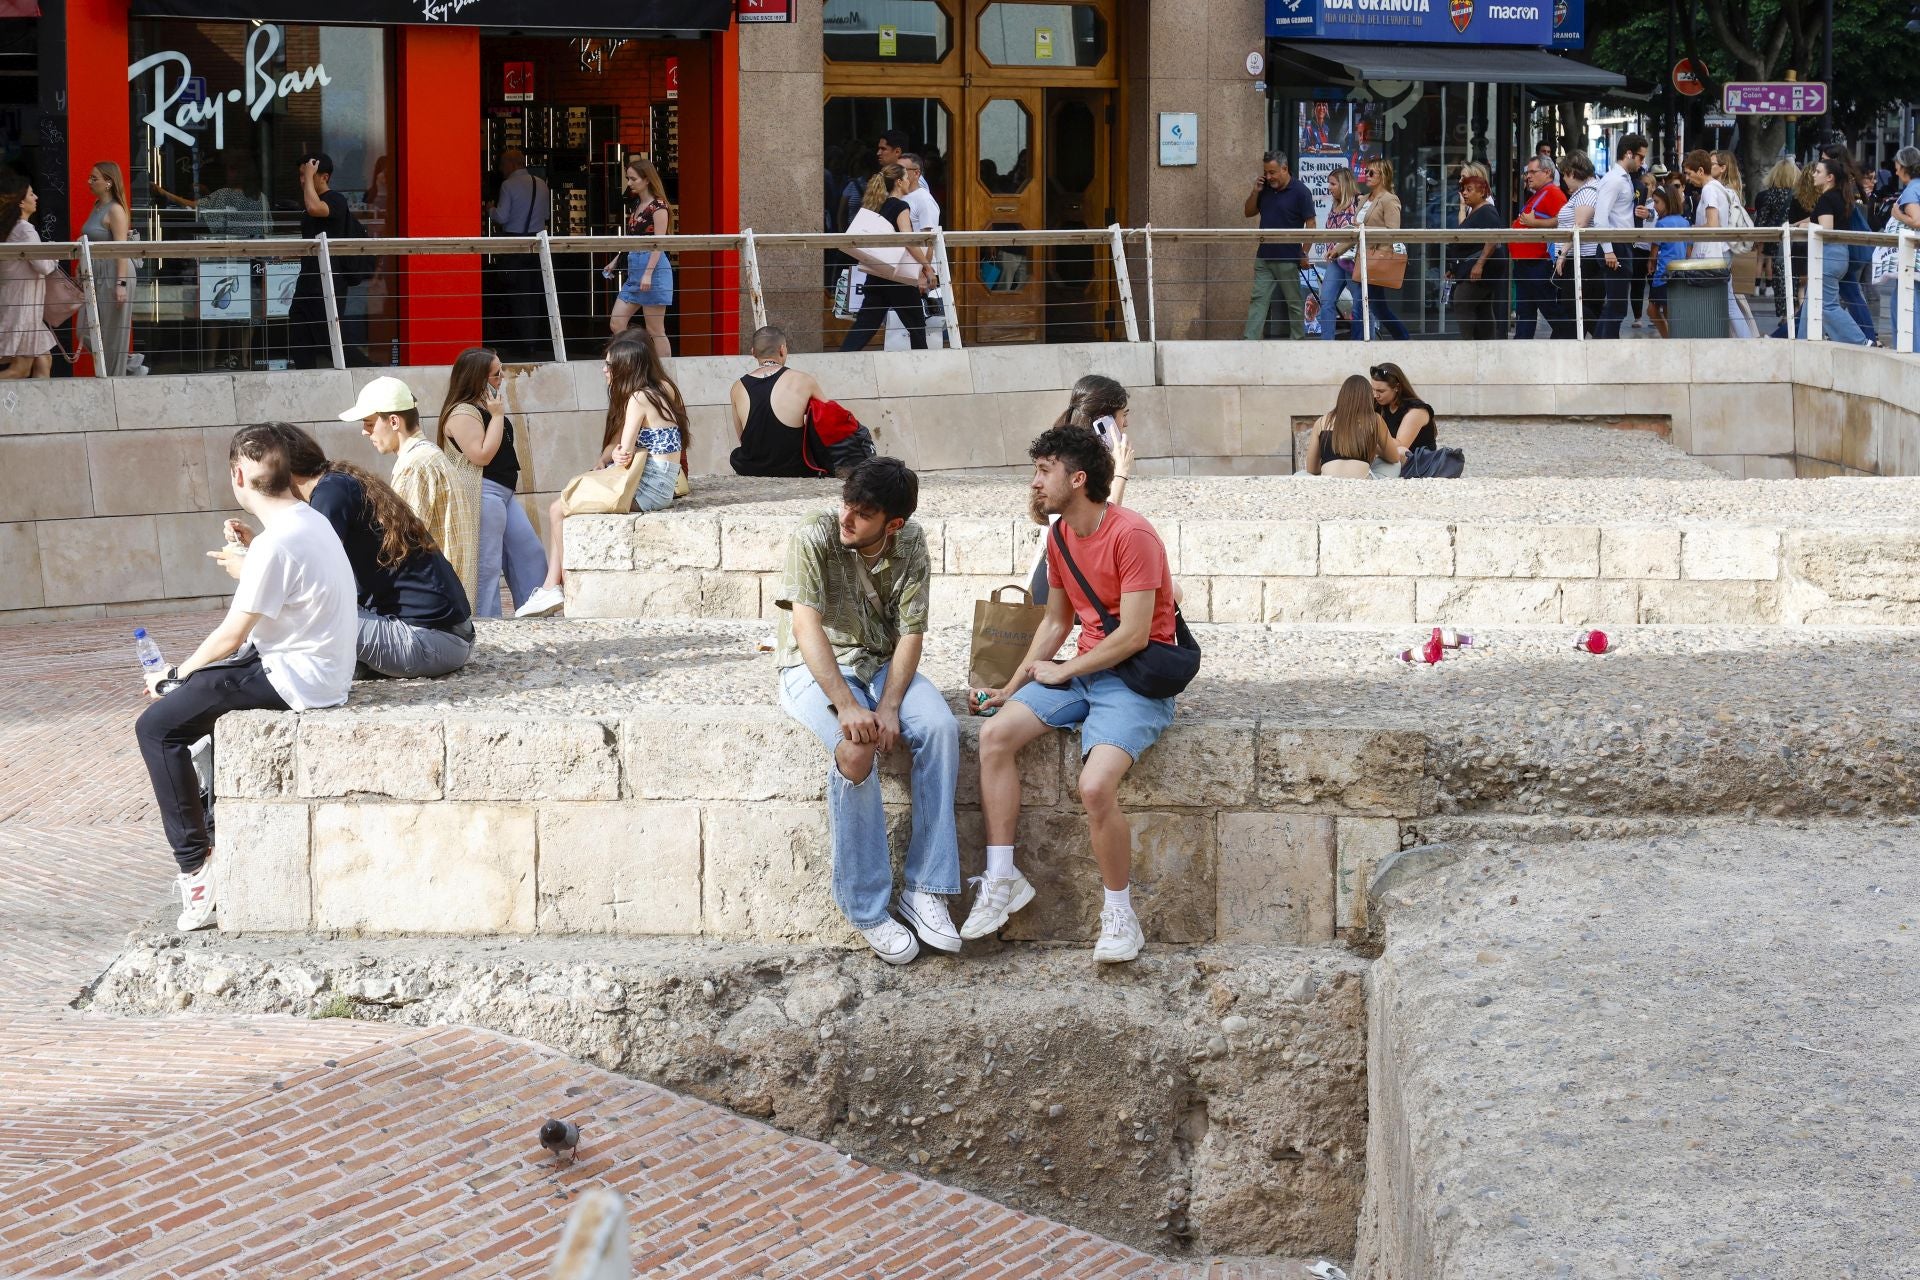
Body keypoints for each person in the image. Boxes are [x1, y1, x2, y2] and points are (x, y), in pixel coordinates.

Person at [969, 425, 1183, 965]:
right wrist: (1010, 686)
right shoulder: (1060, 536)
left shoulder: (1133, 534)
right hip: (1081, 671)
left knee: (1094, 786)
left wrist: (1065, 672)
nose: (1035, 482)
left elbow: (1135, 634)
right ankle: (1002, 878)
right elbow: (1055, 623)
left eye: (1044, 471)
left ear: (1078, 478)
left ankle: (1119, 914)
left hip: (1134, 680)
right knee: (994, 735)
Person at [138, 424, 357, 931]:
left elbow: (230, 638)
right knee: (195, 705)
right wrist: (254, 548)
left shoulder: (278, 543)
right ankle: (211, 833)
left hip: (295, 679)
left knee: (156, 727)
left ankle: (197, 870)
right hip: (313, 667)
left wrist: (175, 674)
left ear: (238, 474)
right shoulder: (307, 521)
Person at [774, 457, 959, 965]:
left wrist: (893, 705)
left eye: (862, 514)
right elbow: (806, 629)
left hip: (880, 663)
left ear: (891, 523)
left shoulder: (911, 541)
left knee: (941, 728)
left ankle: (926, 889)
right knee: (855, 754)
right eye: (845, 505)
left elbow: (912, 631)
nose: (846, 519)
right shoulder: (815, 534)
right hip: (816, 668)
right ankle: (867, 906)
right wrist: (849, 704)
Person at [217, 423, 474, 680]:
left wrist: (247, 568)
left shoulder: (330, 494)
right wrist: (256, 544)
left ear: (288, 472)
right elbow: (300, 559)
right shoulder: (338, 482)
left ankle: (239, 676)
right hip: (447, 636)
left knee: (301, 613)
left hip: (430, 640)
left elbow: (306, 583)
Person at [518, 332, 689, 617]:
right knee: (565, 501)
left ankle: (553, 586)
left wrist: (618, 454)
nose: (604, 370)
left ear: (624, 367)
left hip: (650, 490)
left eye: (609, 365)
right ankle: (551, 587)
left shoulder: (637, 397)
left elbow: (625, 448)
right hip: (660, 484)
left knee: (558, 508)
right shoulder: (657, 392)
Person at [336, 376, 481, 610]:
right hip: (446, 602)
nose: (365, 432)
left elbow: (399, 545)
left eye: (370, 423)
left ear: (394, 421)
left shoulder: (415, 465)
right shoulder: (428, 455)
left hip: (431, 608)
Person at [438, 347, 543, 617]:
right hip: (484, 492)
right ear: (478, 378)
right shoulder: (462, 412)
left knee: (528, 551)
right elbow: (481, 455)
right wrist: (497, 416)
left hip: (503, 494)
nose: (502, 379)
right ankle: (487, 623)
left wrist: (495, 414)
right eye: (496, 375)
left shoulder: (485, 406)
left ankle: (535, 613)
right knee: (487, 565)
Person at [1024, 375, 1137, 604]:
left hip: (1066, 578)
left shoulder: (1068, 451)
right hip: (1069, 585)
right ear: (1104, 421)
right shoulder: (1072, 463)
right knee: (1169, 593)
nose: (1125, 423)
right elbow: (1102, 527)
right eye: (1123, 415)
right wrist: (1121, 472)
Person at [840, 164, 934, 352]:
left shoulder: (877, 206)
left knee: (865, 326)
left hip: (876, 274)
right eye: (906, 178)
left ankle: (841, 358)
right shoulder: (901, 206)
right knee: (916, 327)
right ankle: (923, 367)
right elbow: (908, 239)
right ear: (899, 182)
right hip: (898, 278)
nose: (909, 181)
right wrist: (927, 266)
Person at [1318, 159, 1406, 341]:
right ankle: (1331, 344)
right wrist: (1337, 250)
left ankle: (1388, 340)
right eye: (1366, 172)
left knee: (1369, 307)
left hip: (1376, 259)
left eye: (1372, 173)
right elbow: (1355, 231)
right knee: (1367, 306)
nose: (1367, 175)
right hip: (1359, 257)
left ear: (1383, 176)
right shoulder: (1364, 199)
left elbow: (1393, 232)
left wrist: (1364, 230)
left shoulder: (1390, 200)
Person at [1794, 156, 1871, 347]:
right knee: (1812, 302)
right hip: (1836, 255)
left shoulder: (1827, 198)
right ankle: (1803, 345)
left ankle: (1860, 341)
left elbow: (1826, 228)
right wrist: (1799, 224)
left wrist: (1803, 228)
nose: (1813, 174)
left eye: (1818, 172)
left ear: (1829, 177)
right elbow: (1822, 222)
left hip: (1829, 256)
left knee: (1826, 305)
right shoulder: (1838, 196)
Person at [730, 323, 825, 478]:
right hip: (795, 467)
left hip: (752, 467)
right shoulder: (803, 380)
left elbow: (742, 437)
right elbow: (829, 420)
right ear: (782, 349)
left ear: (753, 353)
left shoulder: (737, 387)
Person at [1242, 152, 1318, 340]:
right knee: (1258, 300)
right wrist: (1256, 191)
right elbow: (1248, 212)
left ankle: (1298, 342)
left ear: (1285, 169)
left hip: (1288, 257)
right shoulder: (1265, 188)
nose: (1268, 177)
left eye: (1273, 172)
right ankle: (1249, 341)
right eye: (1266, 172)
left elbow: (1311, 224)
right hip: (1264, 256)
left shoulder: (1301, 192)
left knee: (1293, 302)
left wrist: (1304, 252)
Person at [603, 158, 673, 360]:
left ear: (647, 179)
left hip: (654, 269)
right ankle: (634, 362)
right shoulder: (637, 204)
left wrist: (648, 274)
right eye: (628, 178)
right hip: (635, 268)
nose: (629, 183)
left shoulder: (659, 206)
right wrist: (616, 260)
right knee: (617, 322)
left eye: (633, 178)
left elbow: (659, 243)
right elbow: (634, 238)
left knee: (655, 329)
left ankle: (663, 373)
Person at [1681, 149, 1754, 339]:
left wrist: (1690, 229)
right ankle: (1746, 340)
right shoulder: (1719, 188)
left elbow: (1712, 224)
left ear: (1699, 170)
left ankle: (1743, 341)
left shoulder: (1709, 189)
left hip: (1713, 253)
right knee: (1727, 301)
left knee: (1717, 300)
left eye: (1689, 173)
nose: (1688, 179)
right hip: (1722, 251)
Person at [289, 154, 353, 369]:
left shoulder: (335, 200)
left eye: (307, 176)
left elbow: (317, 209)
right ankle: (304, 377)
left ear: (324, 177)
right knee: (300, 334)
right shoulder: (308, 205)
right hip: (307, 280)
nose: (302, 180)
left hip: (329, 282)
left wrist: (309, 176)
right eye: (300, 175)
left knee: (328, 339)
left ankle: (370, 369)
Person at [488, 148, 550, 361]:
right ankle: (533, 342)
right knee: (534, 294)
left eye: (502, 165)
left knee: (517, 295)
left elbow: (502, 216)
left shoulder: (508, 185)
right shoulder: (541, 184)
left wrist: (490, 209)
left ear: (511, 164)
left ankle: (522, 343)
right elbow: (546, 216)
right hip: (537, 244)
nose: (500, 169)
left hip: (514, 244)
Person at [1589, 134, 1647, 340]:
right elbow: (1600, 217)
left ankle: (1599, 349)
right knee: (1616, 306)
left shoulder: (1622, 179)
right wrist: (1609, 251)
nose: (1643, 162)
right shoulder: (1614, 180)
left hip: (1620, 246)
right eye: (1640, 157)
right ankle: (1603, 349)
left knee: (1615, 306)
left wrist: (1644, 214)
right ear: (1629, 154)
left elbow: (1615, 214)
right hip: (1616, 246)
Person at [79, 161, 133, 376]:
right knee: (85, 330)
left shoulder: (116, 210)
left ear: (109, 182)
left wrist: (121, 284)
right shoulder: (97, 206)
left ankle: (115, 379)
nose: (89, 182)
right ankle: (131, 367)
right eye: (90, 177)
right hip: (97, 271)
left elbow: (121, 249)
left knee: (112, 336)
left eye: (94, 178)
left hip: (113, 272)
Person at [885, 153, 943, 350]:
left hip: (916, 271)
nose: (899, 174)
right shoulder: (901, 197)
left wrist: (923, 273)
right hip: (903, 270)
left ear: (916, 173)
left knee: (917, 323)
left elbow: (929, 238)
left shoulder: (923, 200)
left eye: (903, 170)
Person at [0, 174, 55, 380]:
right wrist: (55, 256)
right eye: (32, 194)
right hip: (23, 308)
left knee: (44, 360)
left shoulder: (11, 227)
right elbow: (44, 266)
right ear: (21, 201)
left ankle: (39, 409)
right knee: (20, 370)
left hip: (21, 305)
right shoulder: (25, 230)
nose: (36, 197)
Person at [1510, 153, 1567, 339]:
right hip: (1526, 265)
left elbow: (1564, 221)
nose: (1528, 176)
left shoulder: (1553, 193)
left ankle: (1566, 342)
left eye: (1533, 172)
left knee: (1551, 311)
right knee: (1525, 313)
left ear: (1547, 172)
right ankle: (1522, 350)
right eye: (1527, 172)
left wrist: (1536, 224)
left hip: (1538, 265)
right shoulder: (1539, 194)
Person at [1302, 375, 1403, 478]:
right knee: (1395, 465)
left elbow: (1311, 468)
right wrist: (1373, 445)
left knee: (1301, 474)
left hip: (1329, 482)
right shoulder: (1374, 420)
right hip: (1361, 483)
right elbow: (1394, 457)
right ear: (1367, 397)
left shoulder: (1322, 421)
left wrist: (1328, 466)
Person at [1447, 163, 1504, 341]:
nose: (1463, 191)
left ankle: (1469, 344)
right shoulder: (1475, 208)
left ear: (1481, 191)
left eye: (1468, 188)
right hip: (1470, 264)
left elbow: (1492, 237)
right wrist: (1454, 268)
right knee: (1482, 307)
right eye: (1463, 187)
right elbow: (1463, 231)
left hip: (1481, 265)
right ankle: (1484, 346)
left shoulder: (1487, 210)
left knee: (1462, 301)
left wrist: (1479, 264)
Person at [1551, 151, 1601, 339]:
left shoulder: (1587, 192)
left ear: (1572, 172)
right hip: (1581, 259)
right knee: (1579, 308)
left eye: (1564, 174)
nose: (1564, 179)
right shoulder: (1585, 191)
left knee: (1574, 305)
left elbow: (1579, 225)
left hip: (1582, 260)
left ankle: (1605, 338)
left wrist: (1562, 253)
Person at [1314, 167, 1363, 339]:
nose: (1329, 187)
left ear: (1343, 184)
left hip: (1354, 261)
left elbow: (1361, 231)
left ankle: (1361, 343)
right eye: (1329, 183)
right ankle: (1327, 344)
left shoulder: (1359, 202)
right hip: (1336, 261)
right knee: (1326, 300)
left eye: (1333, 183)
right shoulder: (1335, 205)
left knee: (1360, 305)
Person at [1753, 158, 1802, 326]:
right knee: (1797, 279)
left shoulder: (1770, 195)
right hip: (1799, 242)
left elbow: (1762, 221)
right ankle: (1798, 314)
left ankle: (1786, 316)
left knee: (1781, 278)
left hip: (1777, 244)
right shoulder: (1799, 196)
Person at [1645, 184, 1691, 339]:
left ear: (1667, 201)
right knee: (1667, 310)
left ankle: (1671, 340)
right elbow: (1688, 249)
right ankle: (1671, 338)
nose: (1655, 206)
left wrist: (1650, 263)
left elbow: (1654, 251)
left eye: (1657, 202)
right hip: (1679, 272)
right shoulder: (1685, 223)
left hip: (1663, 273)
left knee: (1655, 310)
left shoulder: (1662, 224)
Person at [1889, 147, 1920, 346]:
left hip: (1913, 260)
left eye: (1896, 165)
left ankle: (1910, 352)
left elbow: (1917, 221)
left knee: (1903, 305)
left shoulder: (1911, 190)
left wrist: (1897, 214)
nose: (1895, 170)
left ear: (1903, 166)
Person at [1369, 362, 1435, 454]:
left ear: (1397, 387)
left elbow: (1400, 447)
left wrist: (1366, 440)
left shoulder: (1416, 411)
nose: (1375, 395)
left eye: (1381, 391)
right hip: (1392, 462)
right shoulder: (1379, 404)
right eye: (1373, 389)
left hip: (1419, 463)